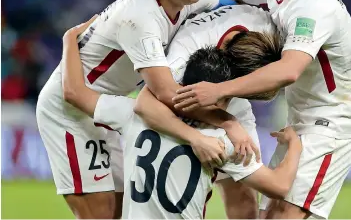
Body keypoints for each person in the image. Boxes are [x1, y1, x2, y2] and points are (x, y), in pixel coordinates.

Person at [36, 0, 255, 219]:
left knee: (125, 209)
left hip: (105, 106)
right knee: (101, 214)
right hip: (70, 109)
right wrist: (228, 122)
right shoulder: (140, 18)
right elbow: (167, 93)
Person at [173, 0, 351, 219]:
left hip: (332, 125)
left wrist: (219, 90)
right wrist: (176, 5)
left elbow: (288, 70)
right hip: (300, 120)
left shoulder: (312, 7)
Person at [61, 21, 303, 219]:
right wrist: (294, 144)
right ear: (217, 99)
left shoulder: (133, 114)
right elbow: (279, 186)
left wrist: (70, 39)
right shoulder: (220, 144)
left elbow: (74, 93)